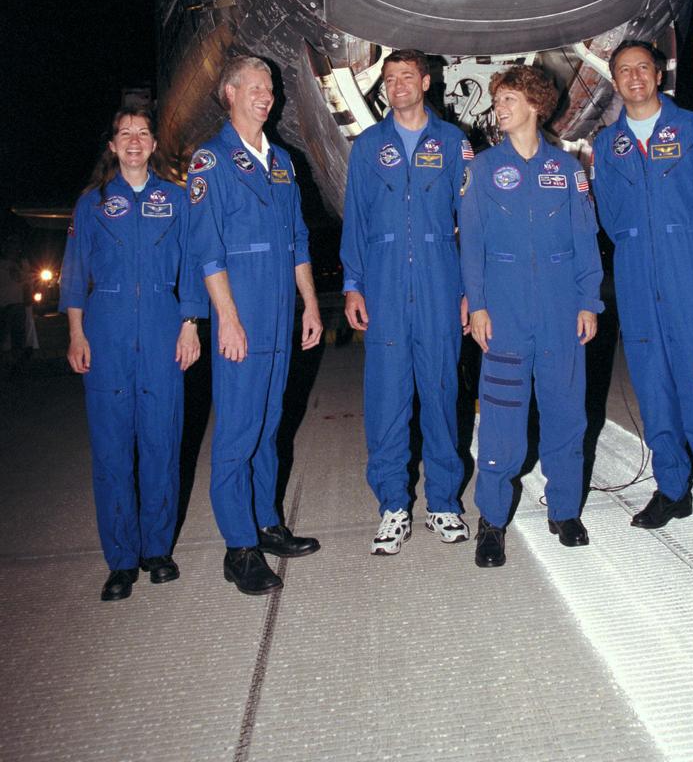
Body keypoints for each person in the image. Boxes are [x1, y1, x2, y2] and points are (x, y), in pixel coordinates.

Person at [591, 39, 693, 551]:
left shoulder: (691, 129)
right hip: (636, 270)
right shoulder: (608, 143)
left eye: (643, 67)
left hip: (691, 267)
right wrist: (641, 244)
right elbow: (611, 215)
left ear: (658, 75)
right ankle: (671, 489)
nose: (634, 76)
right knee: (653, 384)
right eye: (624, 70)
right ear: (614, 81)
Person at [187, 56, 323, 595]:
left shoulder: (282, 163)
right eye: (255, 88)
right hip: (241, 314)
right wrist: (227, 320)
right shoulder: (211, 161)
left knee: (269, 427)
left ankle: (267, 524)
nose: (266, 96)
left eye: (270, 88)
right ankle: (238, 547)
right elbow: (206, 250)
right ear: (230, 94)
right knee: (238, 434)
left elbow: (298, 241)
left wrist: (310, 305)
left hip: (278, 314)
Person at [460, 65, 603, 568]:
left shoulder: (566, 170)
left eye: (508, 99)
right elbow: (472, 244)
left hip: (563, 311)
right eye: (497, 100)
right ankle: (492, 520)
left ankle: (564, 510)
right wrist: (476, 305)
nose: (499, 107)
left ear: (536, 105)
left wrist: (590, 302)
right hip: (506, 313)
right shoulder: (480, 170)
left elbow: (586, 239)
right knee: (501, 421)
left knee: (566, 415)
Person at [60, 109, 205, 602]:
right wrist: (77, 335)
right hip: (108, 331)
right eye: (125, 134)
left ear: (154, 142)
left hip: (165, 329)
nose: (135, 141)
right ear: (113, 146)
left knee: (163, 444)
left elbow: (192, 267)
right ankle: (121, 561)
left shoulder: (177, 199)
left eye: (143, 133)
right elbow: (75, 275)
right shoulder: (92, 205)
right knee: (112, 452)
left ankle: (157, 551)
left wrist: (190, 325)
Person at [341, 49, 473, 555]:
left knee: (441, 397)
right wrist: (354, 283)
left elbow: (471, 225)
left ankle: (443, 504)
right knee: (386, 401)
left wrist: (469, 293)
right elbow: (356, 219)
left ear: (426, 82)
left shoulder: (454, 142)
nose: (397, 85)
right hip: (386, 286)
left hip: (441, 285)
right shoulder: (369, 147)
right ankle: (393, 507)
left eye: (406, 77)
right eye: (389, 78)